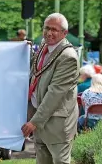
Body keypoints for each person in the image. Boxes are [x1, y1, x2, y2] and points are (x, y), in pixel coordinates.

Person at [22, 13, 79, 164]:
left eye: (54, 29)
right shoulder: (44, 45)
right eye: (46, 28)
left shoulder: (68, 56)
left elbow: (55, 93)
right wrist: (25, 51)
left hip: (57, 124)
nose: (49, 33)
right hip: (39, 117)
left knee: (60, 161)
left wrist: (34, 122)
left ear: (64, 33)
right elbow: (36, 68)